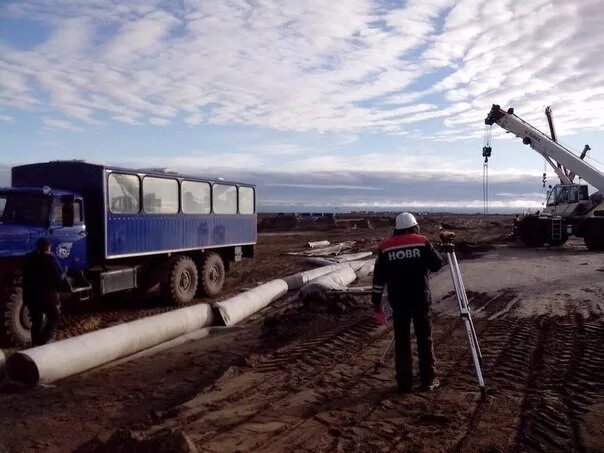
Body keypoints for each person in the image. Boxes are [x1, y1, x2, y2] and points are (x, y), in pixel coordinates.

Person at [371, 212, 445, 393]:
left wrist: (376, 301)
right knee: (424, 340)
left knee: (402, 342)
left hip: (399, 302)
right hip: (420, 299)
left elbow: (378, 278)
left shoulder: (385, 247)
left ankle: (404, 383)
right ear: (414, 226)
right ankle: (428, 380)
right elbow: (437, 264)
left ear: (396, 229)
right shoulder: (422, 241)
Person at [22, 238, 65, 346]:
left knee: (37, 321)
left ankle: (35, 344)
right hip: (46, 296)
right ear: (48, 247)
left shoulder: (28, 259)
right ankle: (42, 341)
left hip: (30, 296)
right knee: (54, 318)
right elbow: (58, 279)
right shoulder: (49, 259)